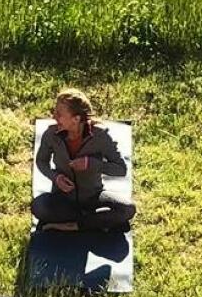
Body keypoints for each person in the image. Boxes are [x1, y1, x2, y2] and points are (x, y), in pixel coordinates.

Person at [32, 88, 133, 234]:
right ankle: (92, 221)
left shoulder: (100, 136)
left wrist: (92, 164)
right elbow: (41, 161)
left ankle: (73, 225)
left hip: (93, 197)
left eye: (59, 114)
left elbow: (121, 169)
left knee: (127, 209)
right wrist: (56, 177)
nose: (54, 117)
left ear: (76, 118)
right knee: (38, 207)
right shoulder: (51, 134)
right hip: (62, 199)